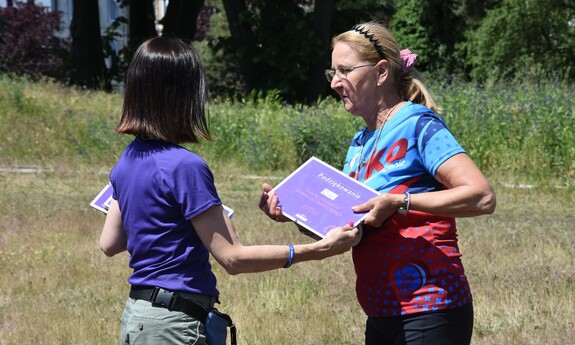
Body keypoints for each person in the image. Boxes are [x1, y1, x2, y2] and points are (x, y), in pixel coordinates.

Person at [98, 37, 359, 345]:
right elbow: (233, 259)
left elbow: (110, 243)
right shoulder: (185, 167)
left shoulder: (127, 160)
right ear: (183, 95)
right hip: (174, 324)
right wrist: (317, 250)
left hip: (138, 317)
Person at [259, 22, 496, 345]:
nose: (335, 84)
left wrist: (400, 201)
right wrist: (295, 213)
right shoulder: (360, 143)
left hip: (429, 306)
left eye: (344, 71)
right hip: (381, 310)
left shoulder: (417, 123)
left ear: (381, 72)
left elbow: (481, 197)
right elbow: (348, 226)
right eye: (333, 73)